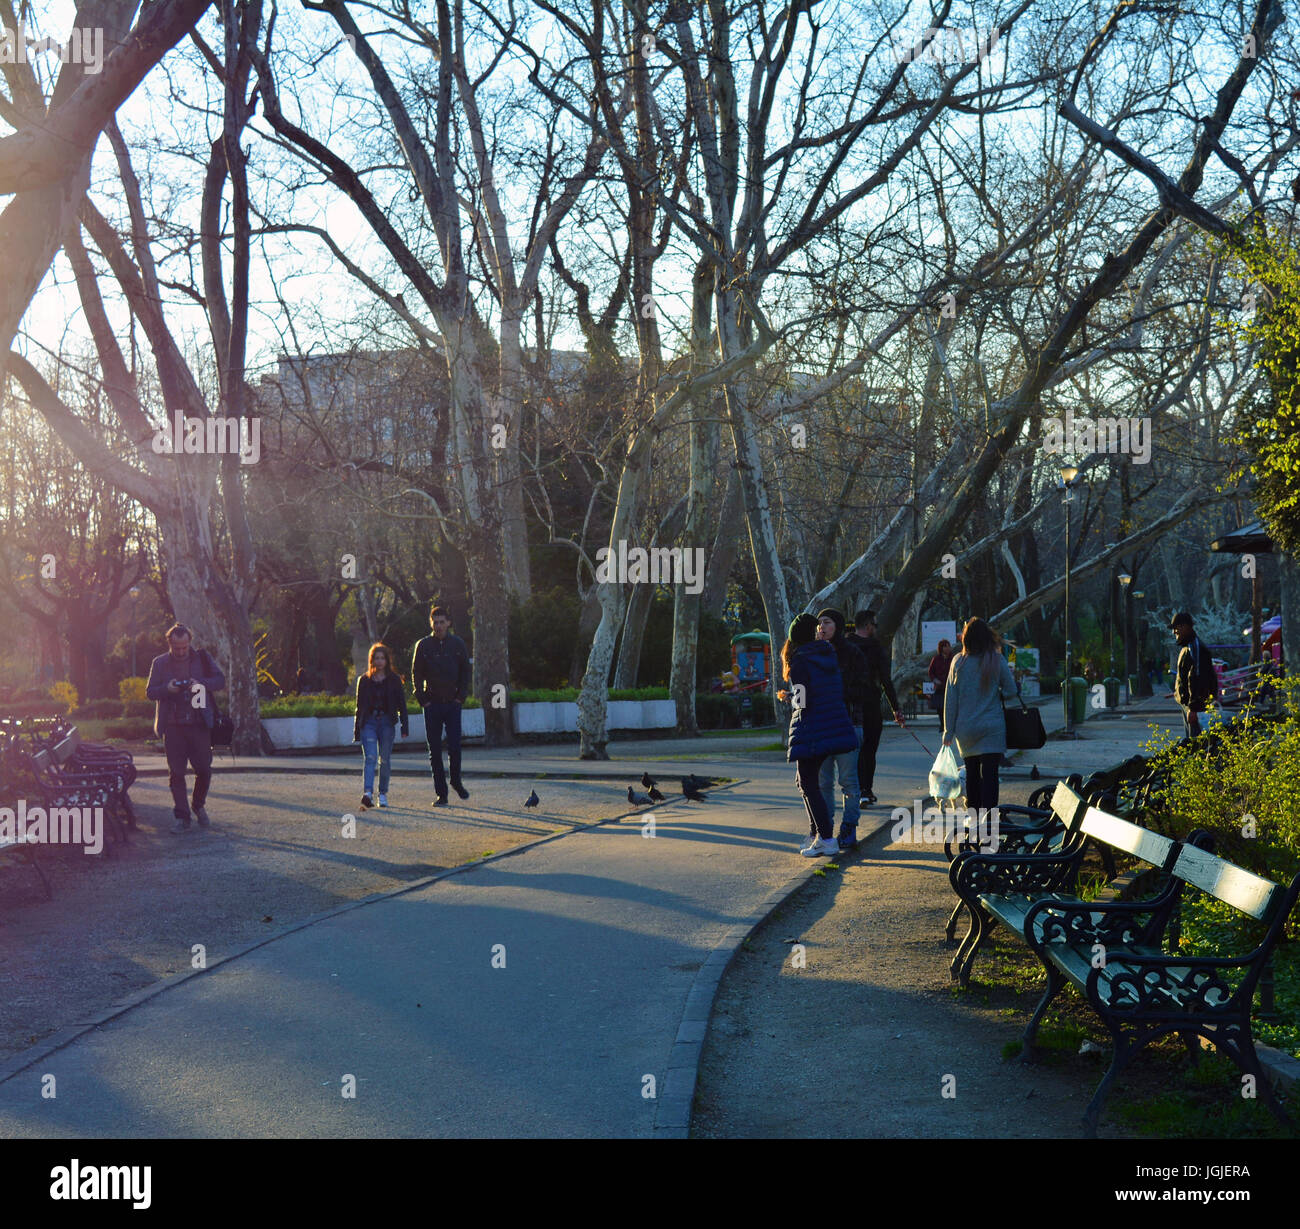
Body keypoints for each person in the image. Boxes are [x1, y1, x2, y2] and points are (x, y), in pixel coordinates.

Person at [779, 613, 860, 858]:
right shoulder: (827, 655)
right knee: (810, 782)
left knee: (808, 783)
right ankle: (821, 836)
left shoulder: (800, 662)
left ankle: (824, 837)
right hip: (832, 724)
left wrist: (790, 697)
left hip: (812, 728)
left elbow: (803, 700)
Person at [145, 623, 226, 833]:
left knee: (204, 770)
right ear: (170, 644)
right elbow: (150, 692)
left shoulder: (202, 658)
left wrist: (199, 683)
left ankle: (198, 805)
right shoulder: (160, 663)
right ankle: (182, 817)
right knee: (177, 773)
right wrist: (167, 688)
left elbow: (220, 681)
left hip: (199, 723)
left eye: (184, 647)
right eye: (176, 647)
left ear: (190, 642)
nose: (181, 651)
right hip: (172, 727)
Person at [941, 617, 1019, 819]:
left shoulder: (958, 661)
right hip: (992, 727)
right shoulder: (996, 660)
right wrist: (997, 691)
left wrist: (948, 730)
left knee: (972, 775)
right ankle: (990, 822)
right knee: (991, 776)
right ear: (987, 638)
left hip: (966, 728)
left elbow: (950, 699)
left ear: (966, 639)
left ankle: (973, 820)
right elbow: (1011, 691)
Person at [815, 608, 866, 850]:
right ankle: (824, 829)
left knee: (849, 782)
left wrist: (835, 693)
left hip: (848, 724)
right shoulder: (813, 653)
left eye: (826, 622)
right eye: (819, 624)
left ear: (837, 625)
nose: (821, 627)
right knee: (823, 782)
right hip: (821, 728)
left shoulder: (852, 653)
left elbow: (863, 689)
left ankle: (849, 828)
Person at [412, 604, 472, 806]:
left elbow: (466, 671)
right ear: (431, 623)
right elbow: (416, 674)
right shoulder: (423, 645)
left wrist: (461, 697)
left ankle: (456, 780)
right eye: (435, 622)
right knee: (434, 751)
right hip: (432, 704)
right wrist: (422, 699)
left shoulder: (457, 644)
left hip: (453, 704)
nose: (438, 626)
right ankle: (442, 794)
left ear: (448, 623)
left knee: (455, 747)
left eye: (442, 622)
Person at [850, 609, 906, 806]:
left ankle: (857, 789)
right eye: (875, 624)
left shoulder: (846, 645)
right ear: (867, 626)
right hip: (871, 703)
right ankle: (866, 789)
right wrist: (895, 708)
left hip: (850, 704)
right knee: (870, 748)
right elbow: (885, 680)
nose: (876, 628)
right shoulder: (875, 647)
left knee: (855, 748)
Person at [353, 642, 409, 810]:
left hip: (386, 722)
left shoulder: (394, 680)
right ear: (371, 660)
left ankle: (382, 794)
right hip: (369, 722)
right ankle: (368, 793)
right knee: (370, 758)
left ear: (387, 660)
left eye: (382, 658)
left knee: (384, 760)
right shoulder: (364, 680)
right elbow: (359, 706)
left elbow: (402, 704)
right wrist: (357, 730)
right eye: (376, 658)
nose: (379, 661)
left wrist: (405, 726)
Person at [1171, 612, 1216, 739]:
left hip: (1195, 708)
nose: (1174, 632)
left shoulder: (1195, 648)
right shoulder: (1188, 647)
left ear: (1185, 627)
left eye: (1176, 627)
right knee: (1191, 742)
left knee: (1196, 744)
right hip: (1188, 706)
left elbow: (1198, 678)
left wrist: (1194, 708)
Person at [928, 639, 953, 713]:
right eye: (945, 646)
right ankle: (942, 724)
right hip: (939, 688)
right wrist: (935, 680)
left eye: (949, 646)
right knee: (940, 710)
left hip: (950, 688)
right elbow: (930, 672)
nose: (947, 648)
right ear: (941, 648)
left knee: (949, 710)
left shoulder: (953, 658)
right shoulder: (936, 659)